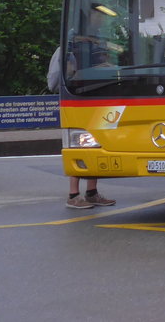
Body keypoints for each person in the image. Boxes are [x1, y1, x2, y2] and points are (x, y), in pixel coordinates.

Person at [48, 43, 115, 210]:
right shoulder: (69, 49)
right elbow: (61, 79)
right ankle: (73, 195)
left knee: (95, 146)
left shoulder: (98, 43)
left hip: (97, 101)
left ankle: (92, 192)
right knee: (78, 147)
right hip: (77, 101)